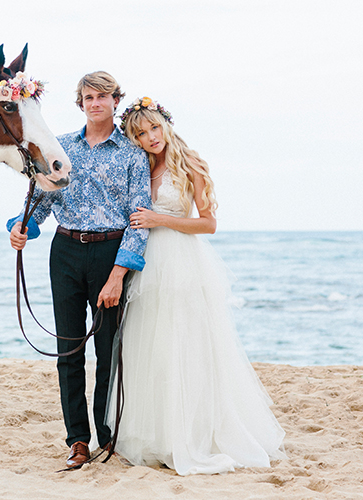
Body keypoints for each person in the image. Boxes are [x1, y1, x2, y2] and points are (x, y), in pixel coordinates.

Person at [105, 97, 286, 475]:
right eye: (140, 133)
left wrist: (160, 219)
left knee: (183, 343)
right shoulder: (140, 167)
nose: (151, 137)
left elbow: (208, 223)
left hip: (180, 262)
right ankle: (153, 433)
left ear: (166, 125)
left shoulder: (189, 164)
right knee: (148, 344)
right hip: (146, 262)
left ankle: (191, 434)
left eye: (154, 128)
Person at [7, 72, 151, 469]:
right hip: (66, 252)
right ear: (80, 103)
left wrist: (118, 275)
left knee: (108, 352)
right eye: (88, 97)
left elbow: (139, 221)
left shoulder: (132, 155)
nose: (94, 103)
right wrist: (22, 227)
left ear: (115, 101)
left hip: (111, 254)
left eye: (102, 97)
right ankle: (78, 440)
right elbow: (42, 203)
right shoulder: (62, 148)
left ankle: (107, 436)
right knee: (68, 350)